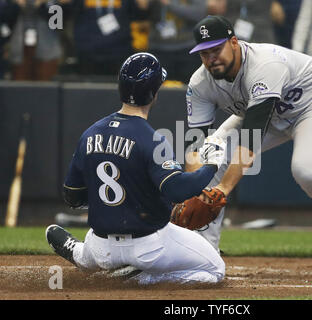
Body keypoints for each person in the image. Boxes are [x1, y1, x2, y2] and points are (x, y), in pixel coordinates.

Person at [184, 15, 312, 274]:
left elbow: (249, 141)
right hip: (268, 112)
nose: (211, 57)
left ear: (234, 42)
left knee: (306, 170)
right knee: (211, 162)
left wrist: (222, 190)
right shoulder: (199, 84)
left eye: (216, 49)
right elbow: (196, 148)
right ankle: (207, 254)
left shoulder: (264, 65)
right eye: (204, 52)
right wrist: (194, 189)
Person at [45, 52, 225, 284]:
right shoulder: (152, 139)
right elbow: (177, 190)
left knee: (90, 250)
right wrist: (211, 166)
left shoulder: (90, 133)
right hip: (148, 247)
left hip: (101, 246)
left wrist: (109, 203)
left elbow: (72, 197)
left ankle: (80, 254)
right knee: (216, 270)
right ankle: (142, 279)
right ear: (154, 93)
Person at [145, 0, 227, 84]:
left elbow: (199, 13)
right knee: (157, 90)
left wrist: (169, 4)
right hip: (159, 48)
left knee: (191, 88)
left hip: (187, 49)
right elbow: (142, 10)